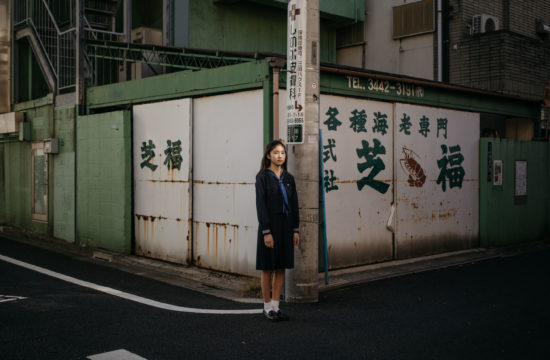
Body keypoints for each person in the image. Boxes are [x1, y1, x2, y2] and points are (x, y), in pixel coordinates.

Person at [255, 139, 300, 321]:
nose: (279, 156)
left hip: (286, 226)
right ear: (268, 156)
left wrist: (295, 229)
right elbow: (261, 206)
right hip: (270, 226)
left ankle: (275, 306)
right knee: (267, 268)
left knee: (281, 266)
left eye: (282, 152)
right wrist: (266, 232)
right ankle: (266, 307)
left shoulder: (289, 178)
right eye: (275, 153)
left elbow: (295, 205)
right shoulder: (262, 178)